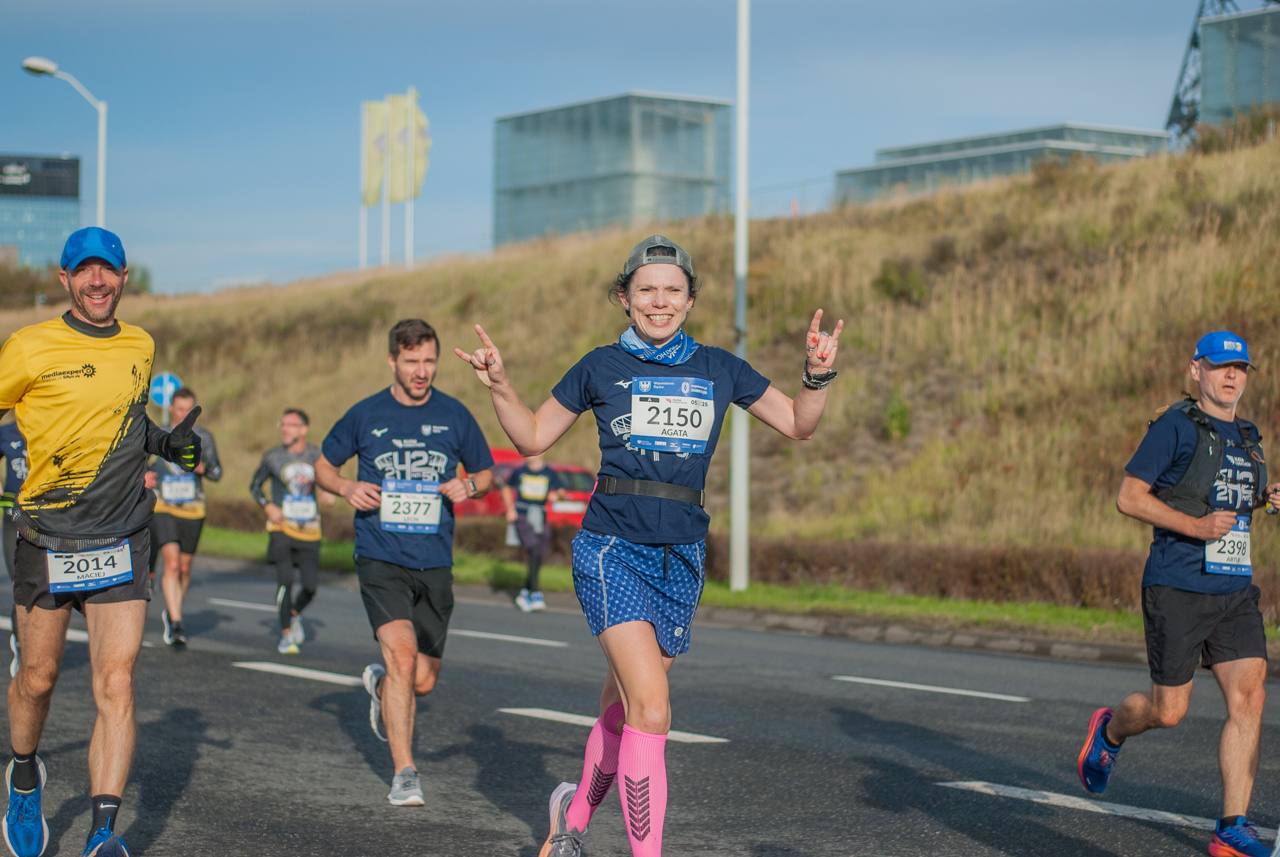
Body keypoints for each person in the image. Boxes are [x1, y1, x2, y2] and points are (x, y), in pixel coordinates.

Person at [455, 235, 842, 857]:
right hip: (612, 547)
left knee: (625, 706)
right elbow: (531, 437)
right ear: (624, 298)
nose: (658, 302)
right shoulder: (599, 367)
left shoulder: (720, 368)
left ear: (690, 300)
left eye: (672, 290)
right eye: (645, 291)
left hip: (681, 554)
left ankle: (570, 817)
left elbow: (799, 422)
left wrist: (817, 375)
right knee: (654, 710)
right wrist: (499, 384)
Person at [0, 227, 202, 857]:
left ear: (122, 278)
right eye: (84, 271)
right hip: (49, 536)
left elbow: (124, 420)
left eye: (108, 271)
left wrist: (166, 443)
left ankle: (103, 835)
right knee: (38, 679)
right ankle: (25, 773)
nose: (97, 281)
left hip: (123, 536)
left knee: (116, 683)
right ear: (64, 279)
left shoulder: (140, 345)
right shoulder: (29, 348)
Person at [1077, 331, 1280, 857]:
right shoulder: (1174, 426)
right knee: (1169, 711)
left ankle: (1231, 828)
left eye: (1239, 368)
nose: (1231, 376)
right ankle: (1110, 732)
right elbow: (1129, 497)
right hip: (1178, 586)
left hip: (1234, 592)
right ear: (1197, 371)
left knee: (1251, 697)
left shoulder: (1249, 436)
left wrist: (1267, 499)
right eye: (1220, 367)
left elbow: (1229, 497)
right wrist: (1195, 527)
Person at [316, 318, 494, 807]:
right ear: (392, 361)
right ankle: (405, 773)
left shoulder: (455, 416)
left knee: (422, 680)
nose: (422, 371)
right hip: (380, 555)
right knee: (401, 655)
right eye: (412, 361)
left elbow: (485, 471)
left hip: (435, 559)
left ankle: (382, 690)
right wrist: (347, 487)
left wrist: (471, 485)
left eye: (429, 361)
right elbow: (323, 466)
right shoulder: (365, 414)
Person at [249, 408, 335, 654]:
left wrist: (330, 491)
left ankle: (294, 612)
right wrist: (268, 507)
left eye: (290, 425)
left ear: (303, 429)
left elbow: (330, 479)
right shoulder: (272, 457)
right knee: (285, 580)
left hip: (309, 529)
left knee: (310, 587)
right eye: (282, 424)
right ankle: (286, 634)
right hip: (281, 528)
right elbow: (255, 486)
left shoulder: (317, 455)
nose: (284, 429)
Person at [144, 387, 221, 648]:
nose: (183, 414)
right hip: (163, 506)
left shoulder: (204, 437)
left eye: (189, 409)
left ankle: (173, 609)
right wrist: (143, 478)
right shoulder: (158, 433)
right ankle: (176, 622)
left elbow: (217, 472)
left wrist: (203, 467)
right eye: (179, 409)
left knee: (185, 568)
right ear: (171, 408)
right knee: (172, 564)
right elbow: (138, 464)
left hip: (193, 508)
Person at [503, 454, 565, 612]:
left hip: (541, 516)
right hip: (523, 515)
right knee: (534, 548)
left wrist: (556, 495)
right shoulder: (520, 471)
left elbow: (561, 491)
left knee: (538, 554)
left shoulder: (549, 472)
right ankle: (535, 592)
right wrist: (510, 509)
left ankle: (525, 592)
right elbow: (506, 487)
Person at [0, 421, 28, 677]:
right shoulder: (7, 432)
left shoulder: (55, 423)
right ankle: (22, 644)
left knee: (44, 587)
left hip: (47, 520)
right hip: (13, 517)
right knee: (21, 584)